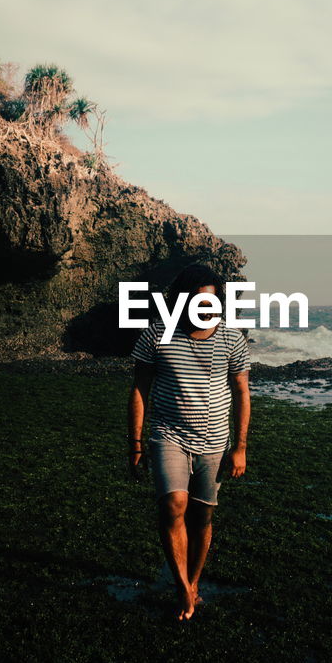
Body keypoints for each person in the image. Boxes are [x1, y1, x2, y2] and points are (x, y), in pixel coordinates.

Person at [127, 263, 251, 621]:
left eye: (210, 304)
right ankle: (182, 588)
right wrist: (134, 445)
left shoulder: (232, 339)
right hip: (168, 436)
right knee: (173, 506)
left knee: (203, 515)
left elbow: (242, 393)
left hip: (215, 441)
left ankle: (193, 582)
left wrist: (240, 447)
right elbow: (139, 390)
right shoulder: (156, 335)